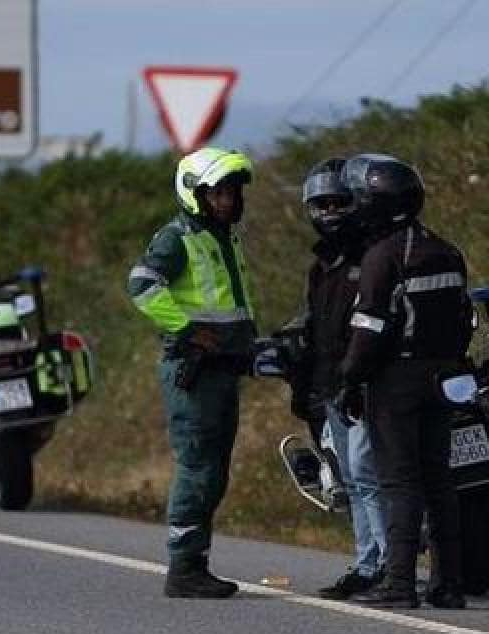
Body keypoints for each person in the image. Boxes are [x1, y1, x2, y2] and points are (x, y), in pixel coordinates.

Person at [335, 153, 473, 610]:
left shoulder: (382, 257)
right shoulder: (446, 250)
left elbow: (369, 329)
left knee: (399, 481)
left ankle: (399, 583)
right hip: (446, 375)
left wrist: (350, 379)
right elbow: (464, 317)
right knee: (440, 478)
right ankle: (450, 583)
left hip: (397, 380)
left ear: (372, 204)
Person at [126, 146, 257, 599]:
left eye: (233, 192)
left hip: (224, 370)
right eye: (219, 193)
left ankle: (194, 562)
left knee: (215, 470)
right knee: (199, 467)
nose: (229, 201)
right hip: (195, 373)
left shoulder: (224, 238)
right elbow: (142, 286)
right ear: (195, 194)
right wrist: (185, 331)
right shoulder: (177, 237)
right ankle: (184, 568)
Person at [289, 157, 388, 599]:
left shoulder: (373, 256)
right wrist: (305, 385)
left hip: (365, 386)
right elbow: (315, 331)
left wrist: (357, 378)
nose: (329, 212)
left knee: (369, 477)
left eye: (338, 202)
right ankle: (368, 562)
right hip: (333, 387)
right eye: (320, 204)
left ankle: (383, 564)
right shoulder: (320, 266)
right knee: (350, 481)